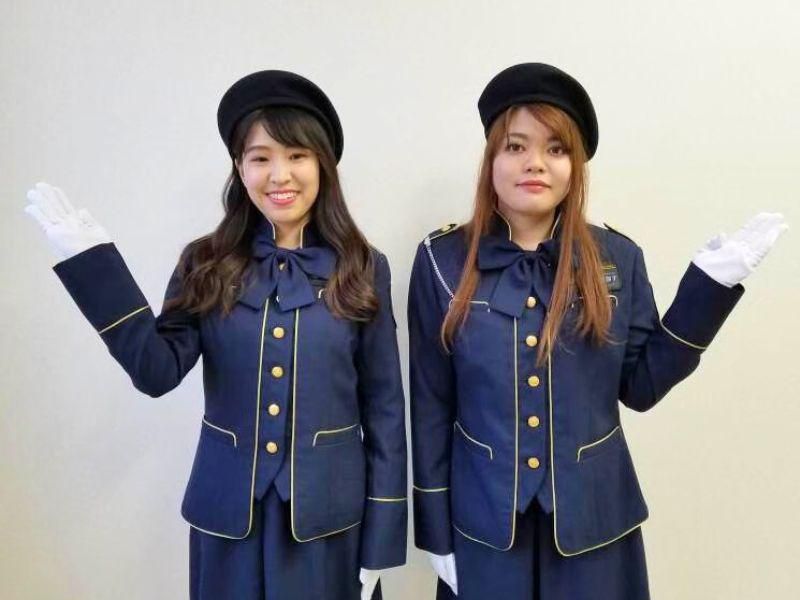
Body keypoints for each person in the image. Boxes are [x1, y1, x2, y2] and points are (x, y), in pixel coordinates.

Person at [407, 62, 787, 599]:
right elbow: (430, 405)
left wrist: (709, 288)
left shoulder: (617, 257)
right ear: (491, 157)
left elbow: (642, 387)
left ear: (575, 165)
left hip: (596, 526)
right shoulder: (442, 260)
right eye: (515, 146)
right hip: (484, 526)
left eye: (556, 149)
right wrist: (434, 530)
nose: (535, 163)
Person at [25, 69, 407, 600]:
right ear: (239, 167)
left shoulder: (363, 267)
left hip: (328, 522)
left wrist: (381, 544)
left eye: (297, 155)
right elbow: (156, 372)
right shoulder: (205, 262)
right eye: (260, 157)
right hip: (227, 517)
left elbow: (385, 410)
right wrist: (93, 267)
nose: (280, 175)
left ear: (322, 163)